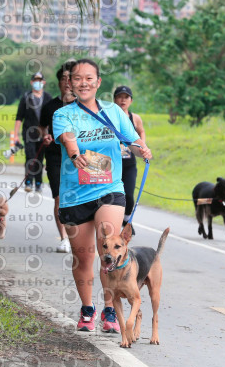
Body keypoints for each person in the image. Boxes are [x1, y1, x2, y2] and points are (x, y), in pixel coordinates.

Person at [52, 59, 152, 333]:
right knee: (83, 257)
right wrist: (74, 155)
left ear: (98, 82)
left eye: (89, 78)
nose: (83, 83)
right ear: (70, 83)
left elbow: (131, 138)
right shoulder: (63, 114)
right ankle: (87, 310)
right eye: (77, 79)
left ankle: (110, 307)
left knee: (108, 244)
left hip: (109, 188)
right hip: (75, 194)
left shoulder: (113, 112)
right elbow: (68, 138)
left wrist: (142, 148)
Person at [40, 61, 77, 253]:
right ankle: (64, 238)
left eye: (71, 78)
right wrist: (45, 137)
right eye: (64, 79)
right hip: (55, 157)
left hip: (78, 157)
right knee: (58, 198)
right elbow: (42, 129)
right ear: (59, 83)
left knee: (78, 197)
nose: (67, 82)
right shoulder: (49, 106)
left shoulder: (82, 106)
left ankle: (78, 235)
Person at [114, 85, 146, 235]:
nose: (122, 100)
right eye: (119, 97)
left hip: (129, 164)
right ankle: (114, 222)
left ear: (131, 100)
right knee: (113, 196)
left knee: (129, 195)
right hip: (112, 164)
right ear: (114, 99)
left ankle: (126, 219)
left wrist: (143, 146)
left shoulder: (135, 118)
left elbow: (141, 131)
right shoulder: (109, 117)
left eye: (126, 97)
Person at [14, 72, 52, 192]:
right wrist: (15, 135)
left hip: (44, 133)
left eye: (40, 80)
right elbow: (19, 117)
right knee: (30, 156)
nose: (38, 83)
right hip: (29, 133)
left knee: (40, 158)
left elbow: (52, 117)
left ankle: (39, 183)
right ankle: (28, 182)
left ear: (43, 82)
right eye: (35, 80)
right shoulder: (26, 98)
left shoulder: (48, 98)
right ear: (31, 82)